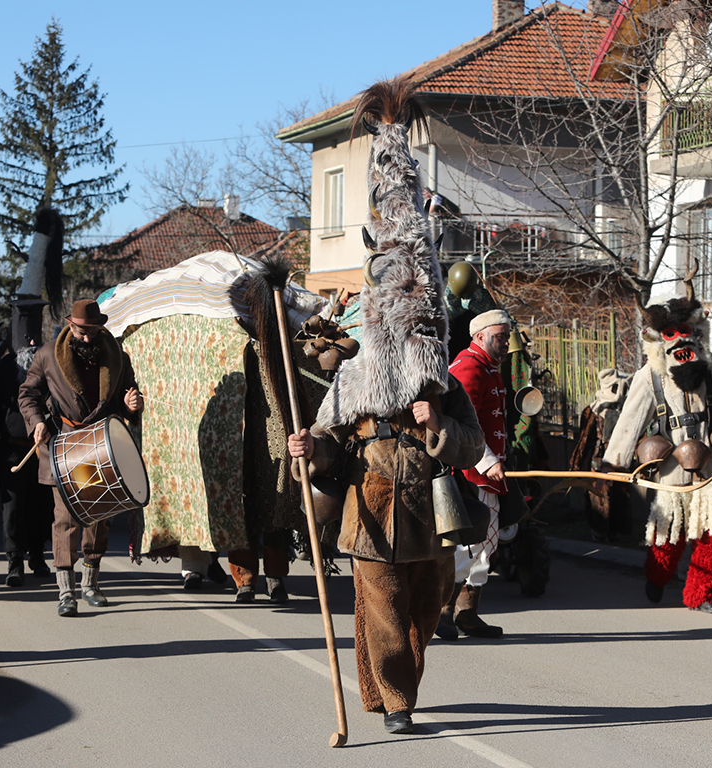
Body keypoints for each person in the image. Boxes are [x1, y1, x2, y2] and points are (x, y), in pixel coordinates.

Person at [289, 78, 485, 735]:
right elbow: (326, 449)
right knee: (381, 608)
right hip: (369, 507)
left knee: (425, 611)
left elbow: (470, 443)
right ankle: (399, 704)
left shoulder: (442, 379)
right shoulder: (353, 378)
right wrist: (307, 448)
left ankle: (383, 688)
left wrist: (437, 430)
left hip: (431, 511)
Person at [601, 268, 712, 612]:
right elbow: (631, 419)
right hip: (671, 468)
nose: (680, 341)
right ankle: (657, 576)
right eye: (671, 334)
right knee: (667, 532)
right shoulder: (650, 377)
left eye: (686, 332)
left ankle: (703, 595)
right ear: (660, 339)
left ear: (696, 332)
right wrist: (612, 463)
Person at [18, 299, 143, 616]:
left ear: (101, 327)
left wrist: (131, 406)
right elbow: (28, 393)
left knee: (99, 517)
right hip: (65, 447)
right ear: (69, 325)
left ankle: (90, 584)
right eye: (79, 331)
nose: (85, 337)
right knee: (65, 518)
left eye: (91, 331)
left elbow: (127, 396)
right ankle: (66, 592)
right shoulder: (48, 354)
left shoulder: (117, 355)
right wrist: (38, 423)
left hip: (102, 447)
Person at [438, 309, 514, 640]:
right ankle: (442, 611)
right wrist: (486, 461)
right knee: (466, 547)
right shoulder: (468, 368)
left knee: (485, 546)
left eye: (508, 336)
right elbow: (459, 424)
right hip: (468, 474)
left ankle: (467, 613)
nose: (506, 343)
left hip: (487, 475)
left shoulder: (489, 367)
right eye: (500, 337)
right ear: (480, 337)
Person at [0, 340, 54, 586]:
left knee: (44, 505)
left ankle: (38, 555)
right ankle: (15, 561)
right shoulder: (4, 369)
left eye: (36, 339)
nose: (32, 343)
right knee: (13, 508)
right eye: (27, 339)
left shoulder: (52, 365)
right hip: (12, 449)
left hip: (46, 449)